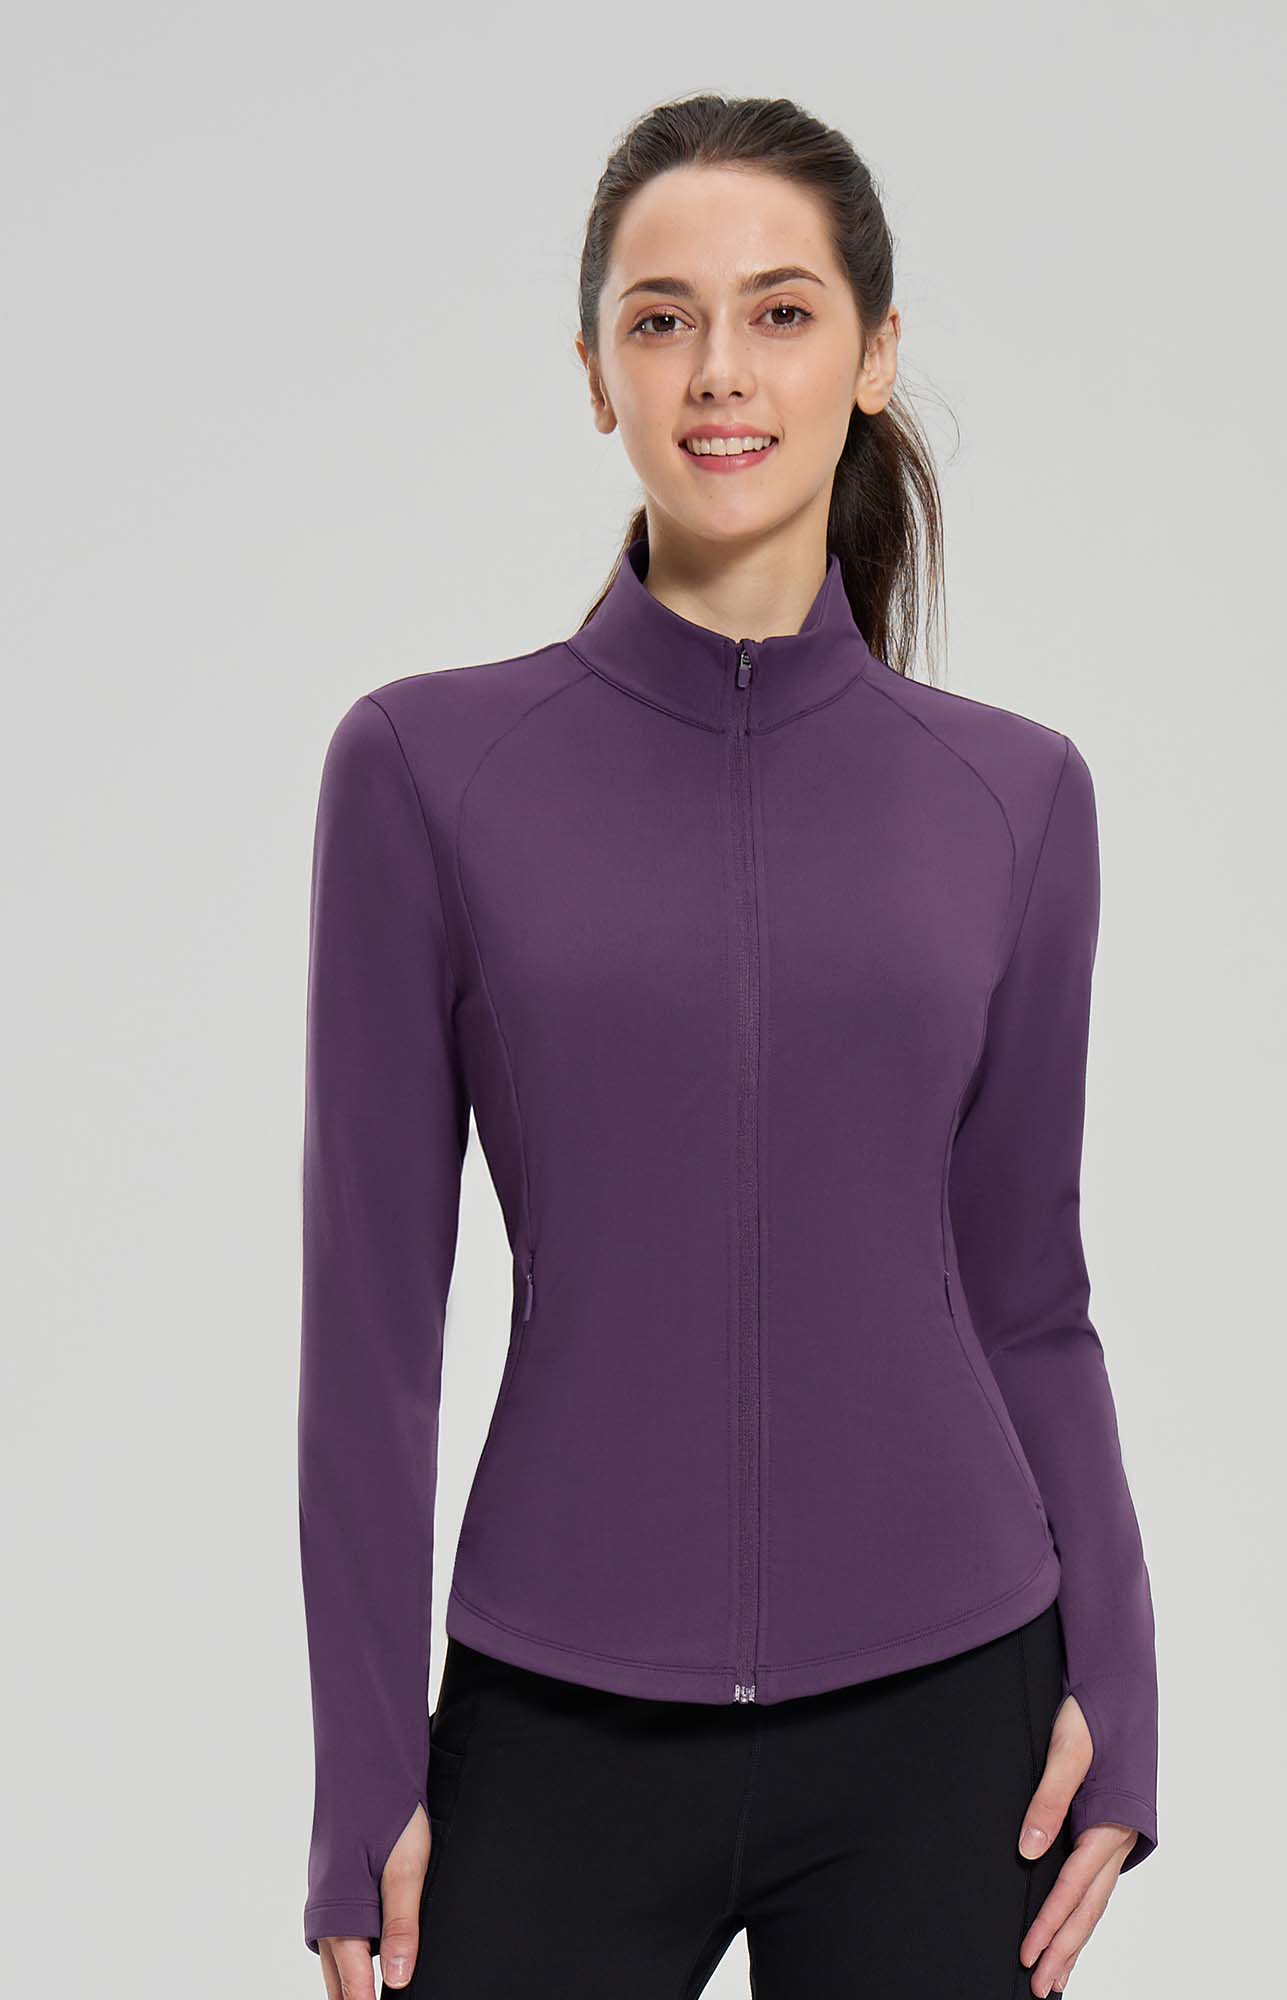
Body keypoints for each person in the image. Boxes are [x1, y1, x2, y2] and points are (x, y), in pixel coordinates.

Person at [296, 92, 1159, 2000]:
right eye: (661, 317)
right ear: (594, 369)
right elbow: (367, 1334)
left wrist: (1124, 1677)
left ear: (875, 355)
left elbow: (1032, 1296)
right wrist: (365, 1774)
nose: (719, 370)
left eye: (780, 312)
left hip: (954, 1710)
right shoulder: (427, 772)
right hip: (557, 1715)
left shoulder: (1015, 798)